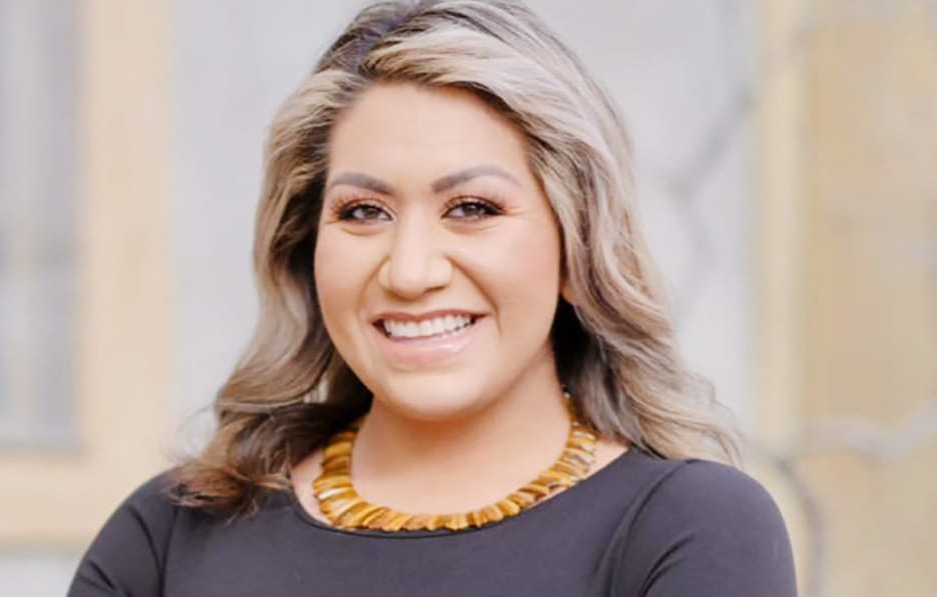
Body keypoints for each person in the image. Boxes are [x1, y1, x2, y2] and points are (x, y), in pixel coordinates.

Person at [69, 1, 797, 595]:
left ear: (578, 249)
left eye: (473, 208)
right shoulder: (172, 533)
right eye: (364, 212)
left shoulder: (687, 531)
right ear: (306, 250)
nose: (410, 271)